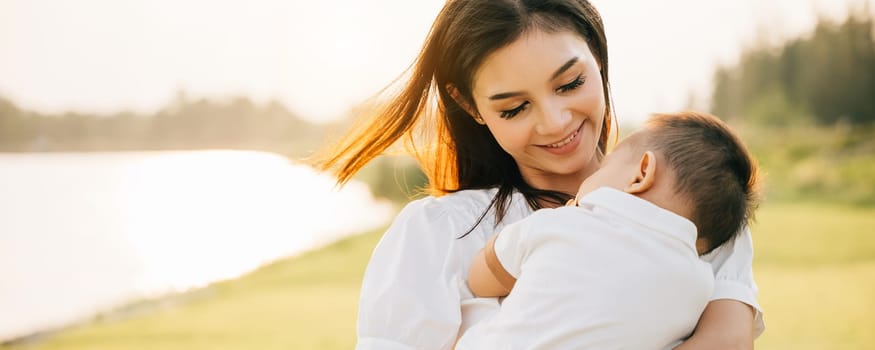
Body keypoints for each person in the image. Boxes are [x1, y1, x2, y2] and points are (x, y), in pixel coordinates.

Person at [316, 1, 764, 349]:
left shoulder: (693, 211)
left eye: (570, 84)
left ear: (598, 56)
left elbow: (726, 342)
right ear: (471, 106)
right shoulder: (438, 235)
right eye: (514, 108)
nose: (554, 122)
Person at [455, 111, 762, 349]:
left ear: (641, 173)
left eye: (604, 167)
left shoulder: (564, 223)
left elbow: (481, 278)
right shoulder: (700, 287)